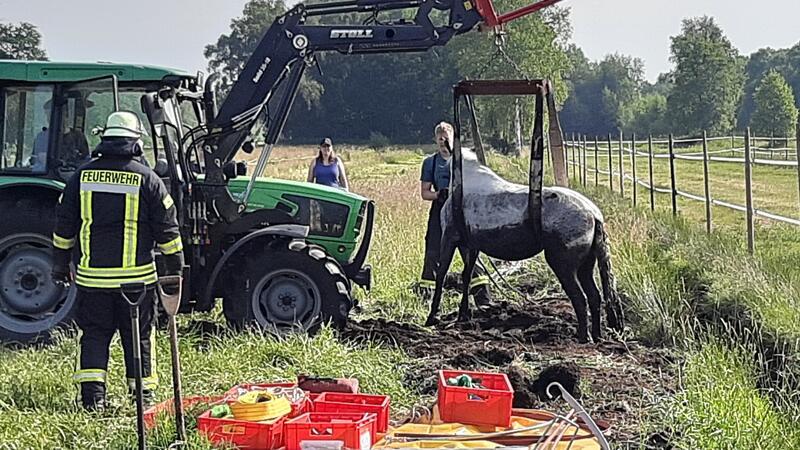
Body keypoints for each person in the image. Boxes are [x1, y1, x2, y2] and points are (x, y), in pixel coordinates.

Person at [51, 111, 184, 411]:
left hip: (92, 281)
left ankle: (93, 401)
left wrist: (60, 265)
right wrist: (175, 269)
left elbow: (63, 228)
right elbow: (168, 232)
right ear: (136, 143)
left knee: (95, 336)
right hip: (136, 283)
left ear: (104, 140)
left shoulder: (80, 177)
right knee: (138, 338)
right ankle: (142, 401)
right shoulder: (148, 179)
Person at [417, 121, 491, 304]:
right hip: (440, 210)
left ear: (453, 138)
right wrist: (438, 194)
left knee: (470, 251)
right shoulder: (430, 163)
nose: (443, 141)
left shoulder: (464, 160)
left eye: (446, 137)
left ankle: (483, 298)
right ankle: (428, 297)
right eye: (440, 138)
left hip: (463, 211)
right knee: (434, 251)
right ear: (436, 139)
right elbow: (424, 192)